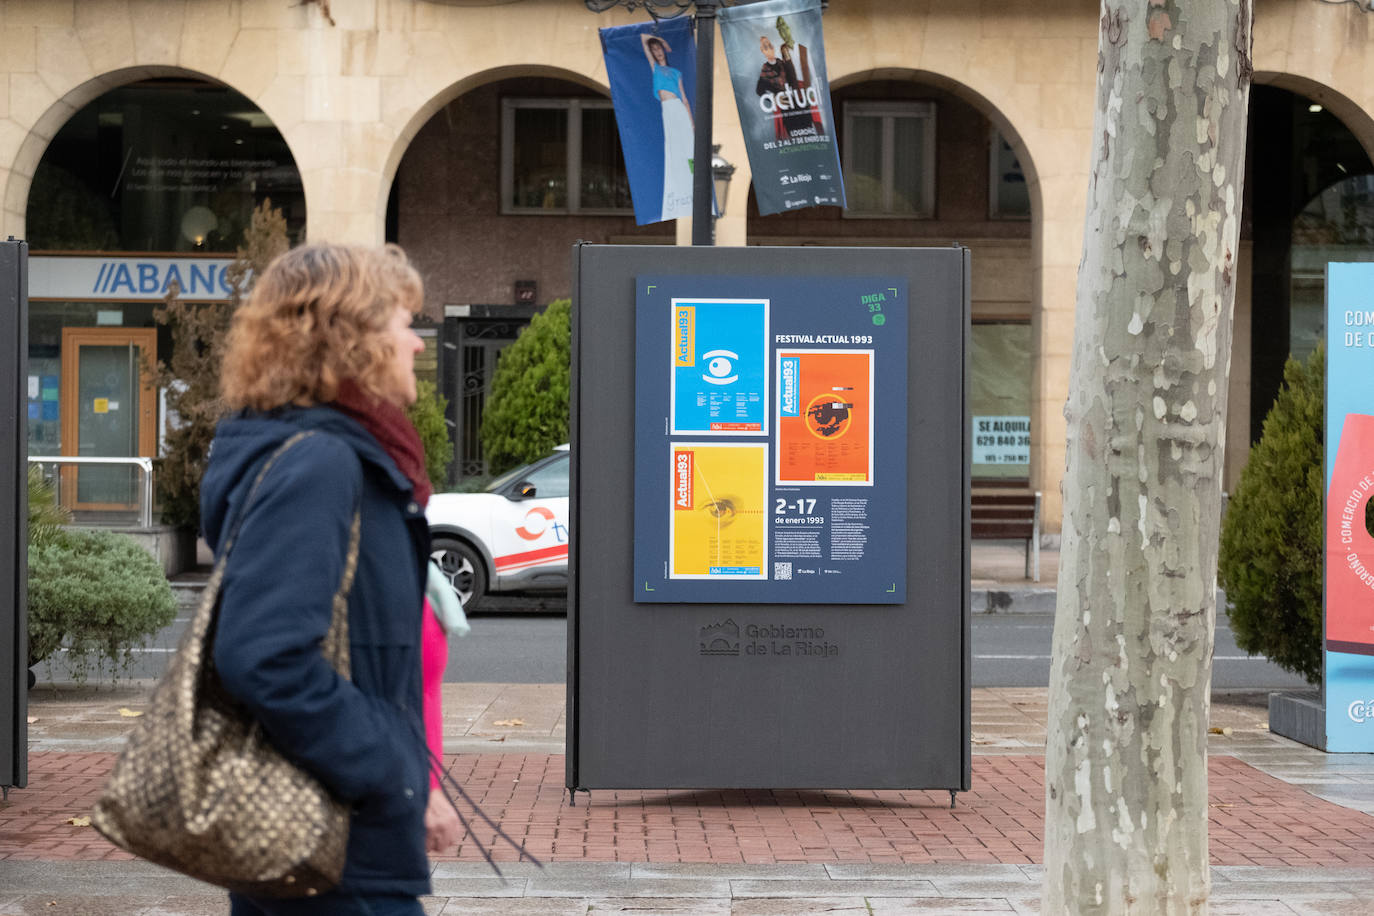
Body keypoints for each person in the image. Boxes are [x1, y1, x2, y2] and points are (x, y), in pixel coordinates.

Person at [201, 243, 461, 915]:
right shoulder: (320, 464)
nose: (417, 346)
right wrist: (385, 764)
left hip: (339, 845)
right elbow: (262, 655)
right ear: (353, 339)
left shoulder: (339, 456)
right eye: (405, 324)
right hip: (331, 853)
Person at [642, 32, 695, 220]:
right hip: (667, 109)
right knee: (673, 147)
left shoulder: (675, 72)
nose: (658, 52)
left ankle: (691, 177)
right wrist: (661, 40)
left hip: (679, 108)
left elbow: (685, 98)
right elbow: (643, 38)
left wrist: (692, 123)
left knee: (687, 145)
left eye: (660, 49)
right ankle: (679, 183)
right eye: (654, 49)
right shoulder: (654, 68)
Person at [755, 34, 815, 139]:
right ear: (762, 51)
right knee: (794, 136)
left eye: (770, 45)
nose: (769, 48)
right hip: (787, 109)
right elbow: (759, 90)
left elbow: (792, 78)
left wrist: (787, 58)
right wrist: (774, 99)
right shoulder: (765, 70)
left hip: (798, 102)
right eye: (765, 47)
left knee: (809, 131)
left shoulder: (781, 63)